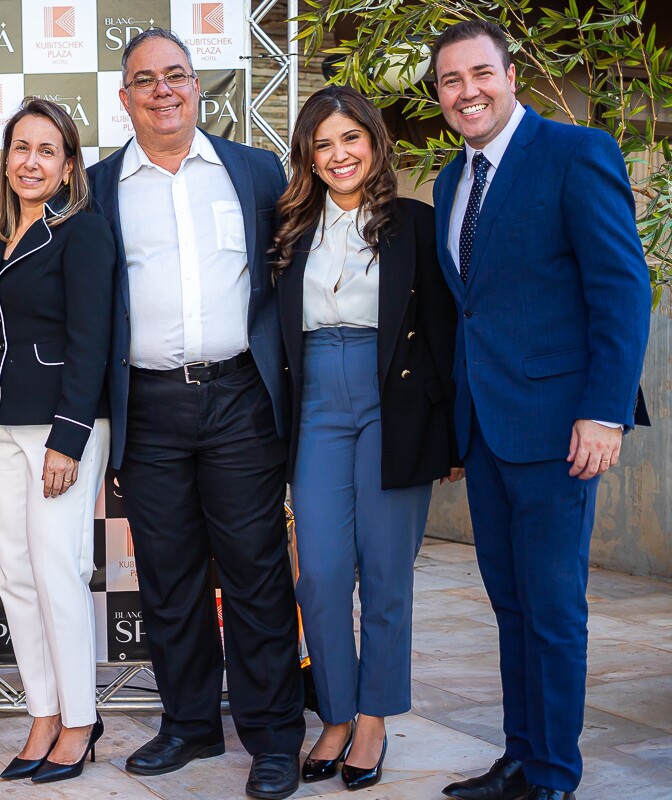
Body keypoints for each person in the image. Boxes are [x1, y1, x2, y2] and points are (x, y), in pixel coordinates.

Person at [429, 20, 650, 800]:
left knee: (554, 610)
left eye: (480, 74)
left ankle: (554, 775)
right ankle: (521, 758)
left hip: (562, 429)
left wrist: (604, 409)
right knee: (512, 605)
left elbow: (623, 288)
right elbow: (473, 315)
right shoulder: (453, 183)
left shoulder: (573, 152)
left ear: (511, 74)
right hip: (487, 433)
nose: (468, 92)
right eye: (451, 81)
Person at [87, 28, 305, 800]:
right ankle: (189, 724)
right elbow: (72, 300)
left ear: (196, 86)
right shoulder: (98, 184)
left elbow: (294, 277)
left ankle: (275, 737)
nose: (163, 90)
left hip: (240, 396)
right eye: (144, 80)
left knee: (255, 573)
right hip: (144, 405)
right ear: (125, 99)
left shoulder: (253, 170)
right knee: (170, 579)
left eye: (175, 75)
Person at [272, 86, 461, 791]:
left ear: (375, 144)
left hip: (396, 402)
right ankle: (336, 712)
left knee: (386, 575)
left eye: (350, 138)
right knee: (319, 574)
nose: (339, 154)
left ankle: (373, 720)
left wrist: (450, 438)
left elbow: (444, 331)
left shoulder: (414, 223)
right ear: (308, 158)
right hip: (317, 402)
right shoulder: (289, 228)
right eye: (323, 144)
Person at [0, 99, 114, 785]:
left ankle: (80, 721)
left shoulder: (84, 233)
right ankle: (43, 713)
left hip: (62, 425)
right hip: (2, 421)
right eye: (20, 148)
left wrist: (69, 439)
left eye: (46, 150)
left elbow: (91, 342)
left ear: (68, 165)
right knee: (17, 576)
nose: (31, 161)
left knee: (58, 571)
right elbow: (0, 331)